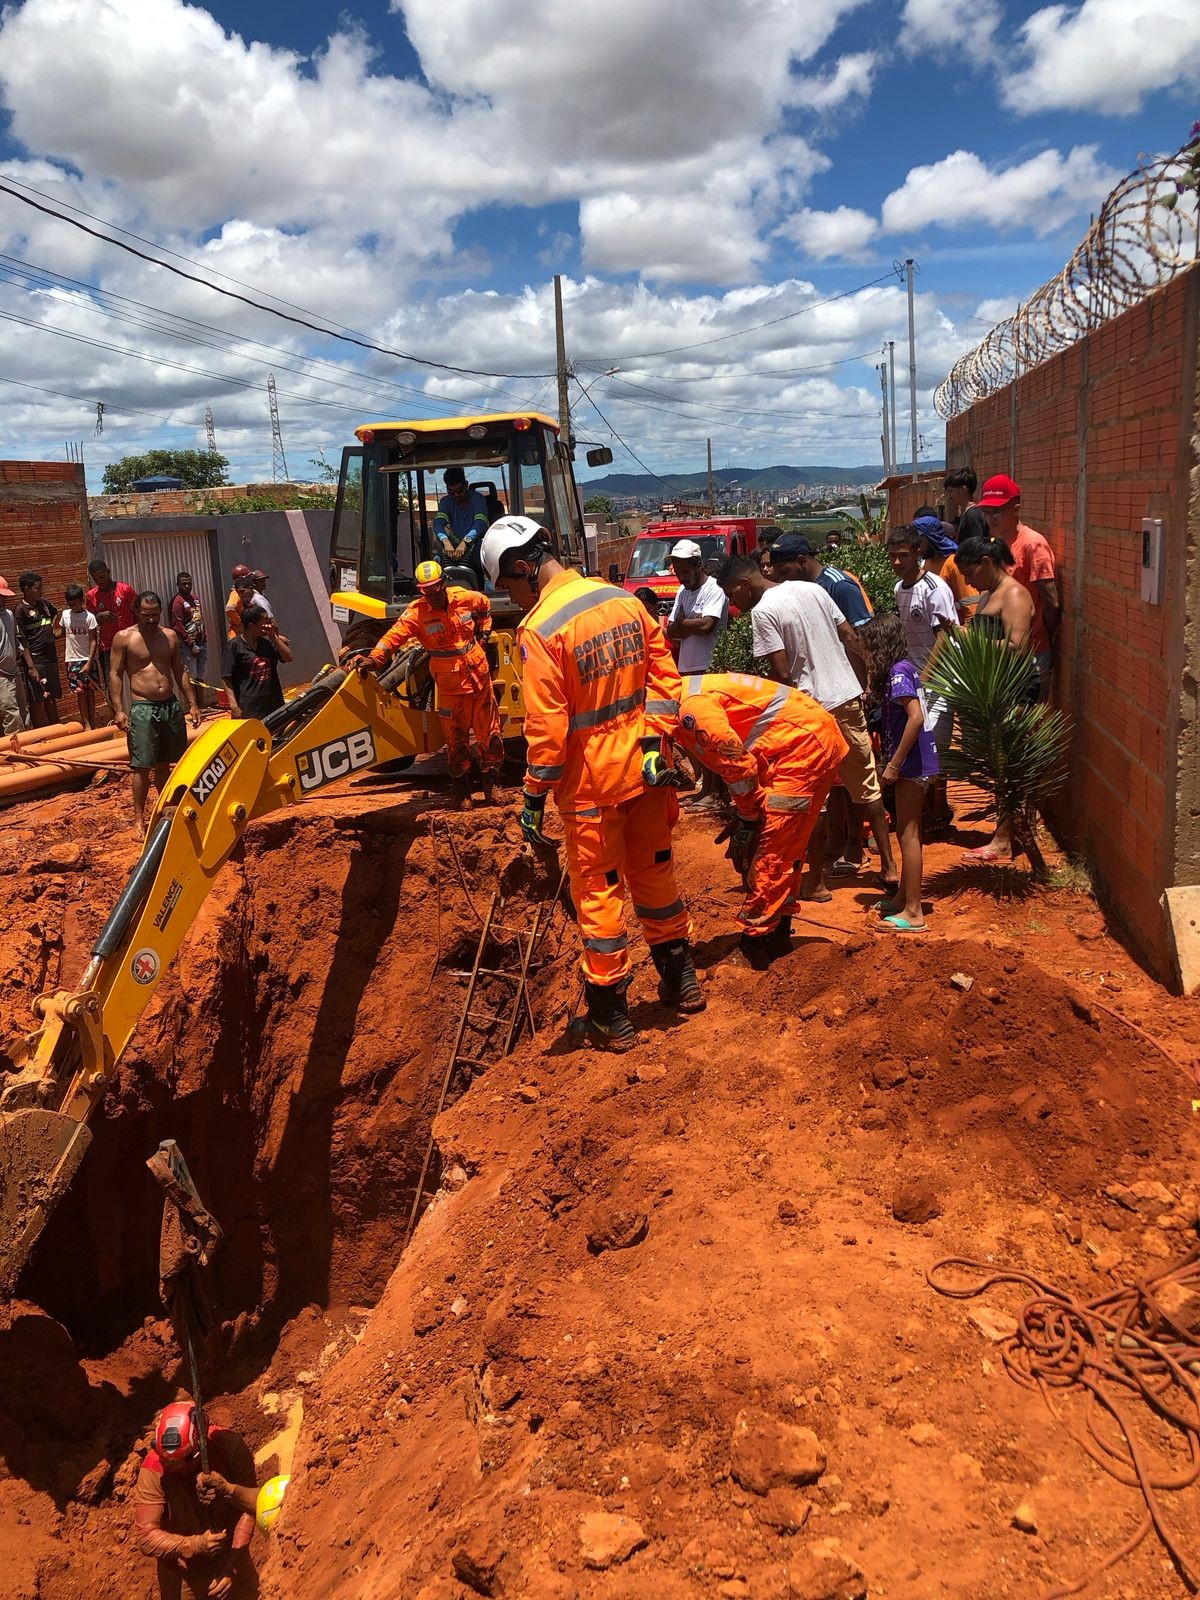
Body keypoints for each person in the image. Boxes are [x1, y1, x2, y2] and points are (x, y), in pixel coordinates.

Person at [481, 514, 703, 1049]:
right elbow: (666, 683)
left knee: (600, 895)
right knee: (655, 877)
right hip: (647, 774)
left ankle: (609, 1013)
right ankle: (682, 983)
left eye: (507, 583)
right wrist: (652, 743)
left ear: (522, 566)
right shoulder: (624, 601)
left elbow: (548, 731)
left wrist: (533, 793)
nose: (509, 596)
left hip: (591, 791)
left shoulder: (540, 630)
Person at [716, 555, 899, 898]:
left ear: (743, 585)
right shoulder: (810, 589)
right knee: (867, 786)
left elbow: (783, 675)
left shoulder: (763, 613)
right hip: (846, 699)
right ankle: (889, 868)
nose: (733, 603)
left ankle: (816, 883)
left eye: (731, 594)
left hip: (810, 713)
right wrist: (864, 682)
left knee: (815, 799)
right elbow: (848, 635)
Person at [672, 672, 847, 966]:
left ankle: (754, 941)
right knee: (784, 845)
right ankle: (778, 935)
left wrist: (749, 817)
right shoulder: (684, 698)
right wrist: (748, 815)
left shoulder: (692, 711)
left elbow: (738, 766)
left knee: (774, 850)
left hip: (801, 749)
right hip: (797, 744)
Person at [360, 559, 503, 808]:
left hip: (479, 680)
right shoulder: (416, 614)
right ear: (421, 590)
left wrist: (485, 632)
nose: (433, 594)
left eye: (436, 588)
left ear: (443, 583)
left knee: (490, 736)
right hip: (451, 687)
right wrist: (374, 659)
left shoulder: (465, 598)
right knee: (456, 740)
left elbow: (486, 607)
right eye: (427, 590)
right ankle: (462, 793)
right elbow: (392, 637)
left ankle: (493, 789)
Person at [955, 520, 1039, 866]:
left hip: (1016, 690)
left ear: (987, 562)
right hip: (995, 689)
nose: (969, 581)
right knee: (1000, 764)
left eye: (970, 572)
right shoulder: (991, 593)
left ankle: (1005, 840)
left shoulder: (1016, 594)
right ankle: (1006, 833)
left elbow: (1018, 647)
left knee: (1011, 764)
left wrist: (972, 641)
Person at [133, 1399, 258, 1600]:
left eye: (185, 1466)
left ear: (200, 1444)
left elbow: (250, 1506)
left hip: (230, 1551)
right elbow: (146, 1537)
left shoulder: (229, 1447)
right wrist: (194, 1545)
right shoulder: (153, 1467)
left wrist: (231, 1563)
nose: (179, 1473)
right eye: (171, 1466)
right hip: (181, 1566)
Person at [861, 614, 938, 932]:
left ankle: (913, 912)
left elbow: (916, 717)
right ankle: (903, 898)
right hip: (913, 763)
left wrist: (894, 764)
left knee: (909, 834)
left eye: (868, 647)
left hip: (912, 765)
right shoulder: (902, 669)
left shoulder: (897, 672)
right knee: (909, 831)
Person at [110, 591, 200, 833]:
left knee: (166, 763)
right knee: (141, 766)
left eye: (155, 614)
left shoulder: (169, 636)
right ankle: (139, 819)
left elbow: (180, 670)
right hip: (143, 707)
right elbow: (115, 674)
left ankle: (166, 808)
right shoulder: (124, 638)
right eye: (146, 614)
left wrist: (192, 702)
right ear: (137, 612)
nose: (151, 619)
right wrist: (119, 710)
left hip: (170, 705)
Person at [888, 525, 958, 834]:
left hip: (939, 678)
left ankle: (939, 811)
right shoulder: (898, 589)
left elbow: (944, 638)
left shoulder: (934, 588)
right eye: (891, 557)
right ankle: (930, 811)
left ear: (918, 553)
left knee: (936, 747)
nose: (896, 563)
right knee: (918, 743)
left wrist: (926, 680)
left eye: (903, 556)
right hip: (915, 677)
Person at [977, 474, 1060, 700]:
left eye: (997, 511)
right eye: (987, 512)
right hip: (1003, 652)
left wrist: (1045, 639)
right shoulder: (1000, 543)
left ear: (1016, 509)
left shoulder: (1032, 544)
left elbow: (1051, 601)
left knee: (1024, 724)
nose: (991, 519)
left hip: (1029, 653)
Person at [767, 535, 873, 626]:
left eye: (784, 572)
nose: (781, 580)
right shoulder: (800, 589)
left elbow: (861, 635)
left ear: (801, 562)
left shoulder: (839, 585)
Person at [665, 539, 728, 671]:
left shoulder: (714, 588)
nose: (681, 578)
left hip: (710, 667)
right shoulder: (682, 591)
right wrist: (693, 623)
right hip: (685, 668)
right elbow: (671, 630)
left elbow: (706, 626)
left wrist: (681, 622)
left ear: (699, 565)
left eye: (685, 572)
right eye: (677, 573)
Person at [222, 604, 292, 720]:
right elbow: (226, 678)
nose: (269, 625)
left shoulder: (266, 643)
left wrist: (274, 637)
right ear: (252, 626)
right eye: (264, 622)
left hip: (272, 705)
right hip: (249, 708)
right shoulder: (234, 646)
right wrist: (234, 706)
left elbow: (288, 657)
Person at [15, 571, 62, 727]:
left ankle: (57, 731)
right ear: (27, 589)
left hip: (51, 657)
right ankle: (42, 735)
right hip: (36, 660)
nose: (41, 591)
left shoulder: (44, 604)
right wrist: (31, 667)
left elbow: (56, 613)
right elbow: (22, 642)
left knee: (51, 695)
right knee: (37, 698)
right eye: (37, 588)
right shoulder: (21, 610)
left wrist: (52, 630)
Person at [913, 511, 977, 622]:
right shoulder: (928, 563)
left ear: (931, 539)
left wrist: (966, 635)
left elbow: (971, 605)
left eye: (919, 542)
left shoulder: (953, 564)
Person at [85, 557, 138, 690]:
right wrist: (99, 617)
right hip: (107, 647)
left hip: (130, 643)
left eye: (102, 577)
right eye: (96, 579)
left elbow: (138, 613)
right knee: (112, 684)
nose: (99, 581)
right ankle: (117, 711)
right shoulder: (91, 596)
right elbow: (89, 622)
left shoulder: (125, 590)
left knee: (139, 679)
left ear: (108, 572)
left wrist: (140, 637)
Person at [0, 573, 39, 734]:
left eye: (4, 597)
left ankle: (24, 746)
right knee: (10, 712)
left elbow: (16, 641)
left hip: (13, 671)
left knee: (23, 713)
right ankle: (13, 753)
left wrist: (30, 665)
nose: (3, 600)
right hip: (1, 674)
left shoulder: (8, 615)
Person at [434, 467, 489, 573]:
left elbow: (480, 524)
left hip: (478, 544)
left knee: (486, 572)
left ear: (466, 485)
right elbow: (438, 523)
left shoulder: (478, 499)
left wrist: (465, 542)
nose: (456, 495)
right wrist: (445, 541)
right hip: (454, 545)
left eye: (459, 491)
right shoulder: (446, 502)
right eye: (451, 492)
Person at [61, 582, 101, 728]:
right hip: (72, 660)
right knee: (80, 693)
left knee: (90, 692)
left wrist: (89, 663)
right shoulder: (65, 615)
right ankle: (86, 723)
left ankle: (93, 721)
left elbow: (93, 641)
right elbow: (61, 632)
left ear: (82, 601)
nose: (72, 607)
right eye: (70, 604)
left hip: (87, 659)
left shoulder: (89, 617)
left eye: (75, 604)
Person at [170, 572, 209, 701]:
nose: (187, 586)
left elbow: (199, 617)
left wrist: (204, 635)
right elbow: (178, 626)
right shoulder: (177, 602)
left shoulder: (194, 598)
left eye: (189, 583)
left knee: (200, 675)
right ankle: (194, 706)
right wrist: (191, 645)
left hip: (201, 642)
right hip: (188, 646)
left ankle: (202, 704)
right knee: (191, 676)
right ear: (178, 584)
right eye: (183, 584)